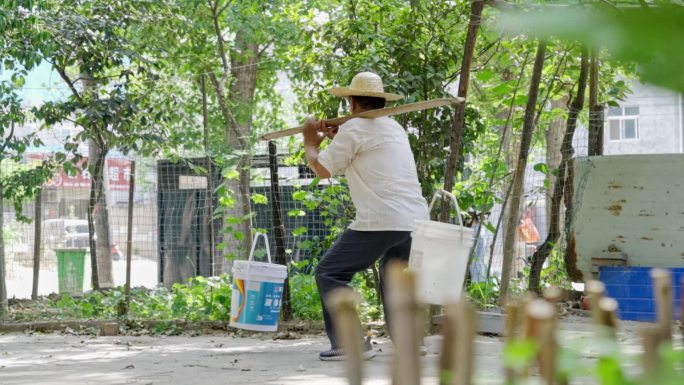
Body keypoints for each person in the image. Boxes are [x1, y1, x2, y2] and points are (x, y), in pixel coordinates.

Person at [302, 71, 429, 361]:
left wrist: (311, 143)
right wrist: (337, 139)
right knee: (393, 275)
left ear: (351, 102)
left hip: (382, 219)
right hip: (414, 219)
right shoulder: (393, 127)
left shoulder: (355, 128)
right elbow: (362, 159)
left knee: (329, 272)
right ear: (380, 101)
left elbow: (322, 170)